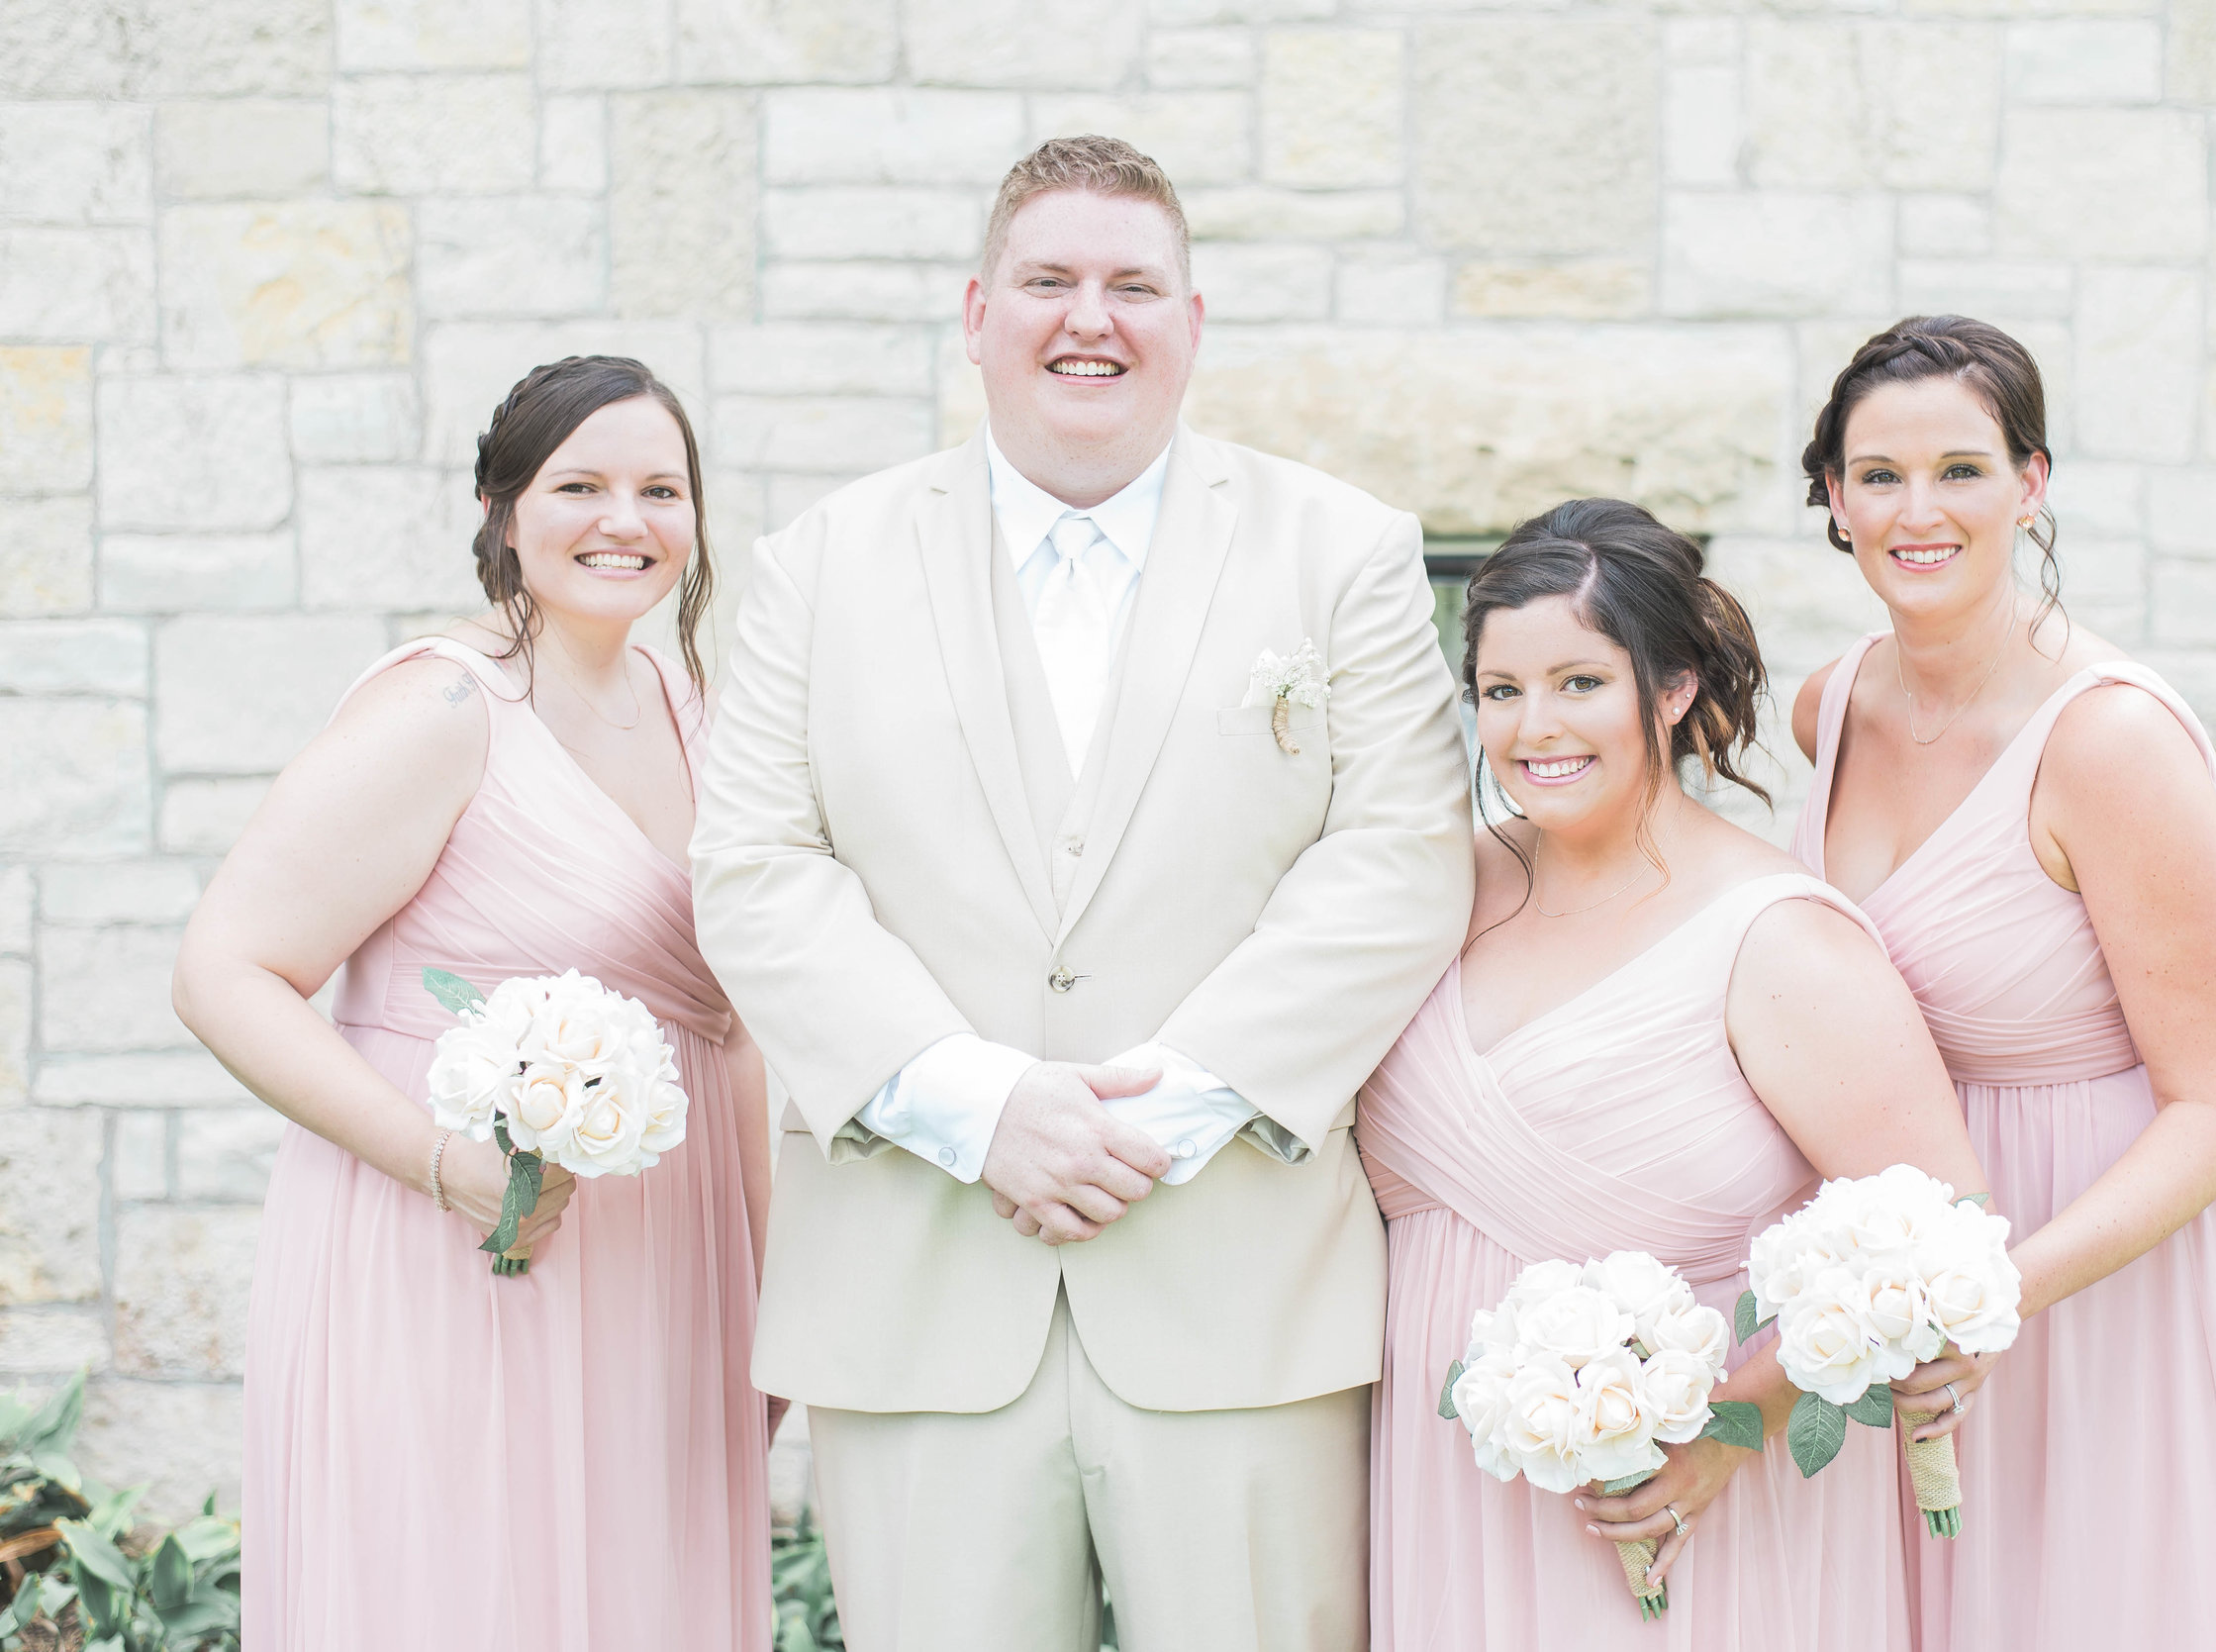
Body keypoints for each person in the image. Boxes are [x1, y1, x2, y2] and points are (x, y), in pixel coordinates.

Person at [689, 136, 1473, 1652]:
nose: (1089, 319)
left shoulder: (1345, 552)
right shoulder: (814, 567)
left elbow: (1400, 855)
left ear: (1195, 319)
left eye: (1133, 284)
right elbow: (757, 869)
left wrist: (1163, 1106)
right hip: (918, 1291)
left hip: (1243, 1290)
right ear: (977, 312)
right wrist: (977, 1105)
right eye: (1049, 280)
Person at [174, 356, 774, 1650]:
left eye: (661, 488)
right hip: (452, 1246)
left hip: (667, 1266)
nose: (627, 518)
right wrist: (448, 1168)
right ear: (505, 514)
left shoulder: (702, 719)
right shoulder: (446, 708)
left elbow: (731, 1031)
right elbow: (224, 969)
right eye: (583, 484)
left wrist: (767, 1279)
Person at [1788, 315, 2216, 1651]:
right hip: (1920, 1264)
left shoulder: (2112, 742)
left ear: (2032, 484)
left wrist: (2001, 1294)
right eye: (1880, 475)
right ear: (1832, 497)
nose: (1919, 511)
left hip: (2118, 1267)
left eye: (1963, 470)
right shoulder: (1826, 707)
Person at [1356, 498, 1994, 1651]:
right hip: (1445, 1488)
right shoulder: (1433, 892)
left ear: (1671, 689)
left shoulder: (1780, 939)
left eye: (1578, 682)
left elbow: (1938, 1241)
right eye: (1501, 691)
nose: (1531, 726)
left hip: (1695, 1509)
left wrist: (1727, 1435)